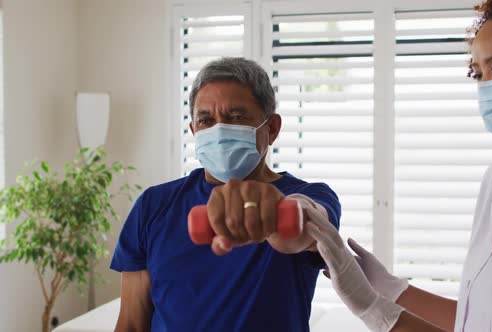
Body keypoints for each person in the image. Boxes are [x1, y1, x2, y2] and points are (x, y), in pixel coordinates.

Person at [305, 0, 492, 331]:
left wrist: (371, 308)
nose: (487, 87)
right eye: (479, 73)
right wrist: (390, 289)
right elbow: (476, 320)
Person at [110, 57, 341, 331]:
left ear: (272, 128)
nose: (218, 131)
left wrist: (279, 213)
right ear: (194, 130)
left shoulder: (309, 195)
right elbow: (132, 324)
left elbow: (309, 222)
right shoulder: (154, 205)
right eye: (206, 120)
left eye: (236, 117)